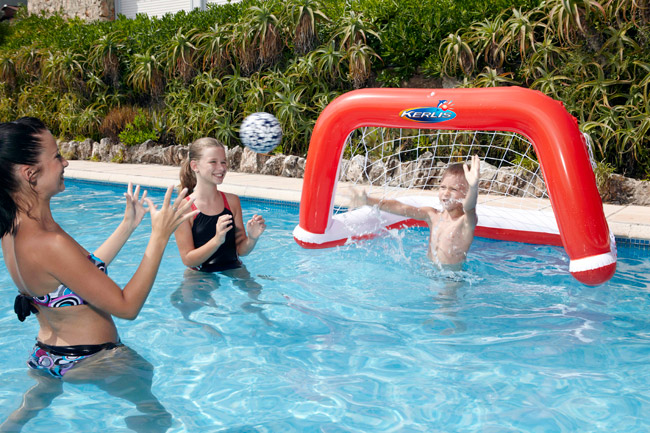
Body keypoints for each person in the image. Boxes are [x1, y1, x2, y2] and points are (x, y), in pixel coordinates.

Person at [0, 117, 198, 431]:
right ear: (30, 174)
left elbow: (75, 275)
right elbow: (126, 306)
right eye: (55, 156)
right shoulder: (48, 242)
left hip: (46, 356)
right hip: (94, 359)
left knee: (25, 413)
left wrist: (127, 227)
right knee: (158, 416)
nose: (64, 162)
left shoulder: (16, 230)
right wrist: (159, 236)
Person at [173, 137, 270, 329]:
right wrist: (217, 240)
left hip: (233, 266)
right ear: (195, 166)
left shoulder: (232, 202)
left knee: (257, 299)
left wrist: (252, 238)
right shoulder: (183, 209)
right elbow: (188, 259)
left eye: (224, 162)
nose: (221, 167)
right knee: (188, 310)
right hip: (199, 273)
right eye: (213, 162)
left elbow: (241, 250)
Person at [354, 154, 481, 268]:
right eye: (443, 187)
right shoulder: (432, 215)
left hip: (451, 278)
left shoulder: (465, 222)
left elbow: (470, 207)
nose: (446, 193)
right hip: (429, 269)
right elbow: (402, 208)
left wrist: (473, 187)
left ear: (466, 193)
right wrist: (368, 200)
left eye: (453, 189)